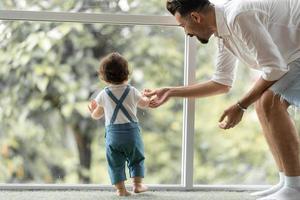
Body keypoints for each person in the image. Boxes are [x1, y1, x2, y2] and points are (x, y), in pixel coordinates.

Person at [145, 0, 300, 199]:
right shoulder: (223, 32)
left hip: (295, 53)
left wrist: (241, 105)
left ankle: (295, 188)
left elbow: (275, 68)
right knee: (262, 105)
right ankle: (286, 182)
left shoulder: (238, 16)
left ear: (195, 17)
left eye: (183, 26)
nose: (186, 33)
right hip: (291, 57)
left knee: (267, 102)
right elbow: (221, 83)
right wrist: (171, 91)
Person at [88, 52, 150, 196]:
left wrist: (92, 110)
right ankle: (137, 184)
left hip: (113, 136)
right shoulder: (132, 91)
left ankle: (121, 189)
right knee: (137, 158)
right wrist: (146, 97)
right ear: (127, 73)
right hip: (132, 134)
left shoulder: (103, 94)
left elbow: (97, 115)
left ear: (104, 76)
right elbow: (144, 104)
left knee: (115, 162)